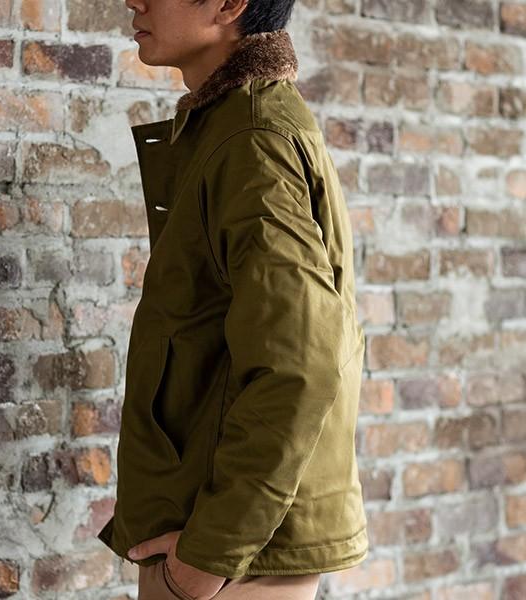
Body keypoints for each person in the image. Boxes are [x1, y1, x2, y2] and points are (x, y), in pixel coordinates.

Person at [97, 0, 369, 597]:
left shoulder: (251, 140)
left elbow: (302, 364)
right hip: (225, 535)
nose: (134, 0)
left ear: (228, 4)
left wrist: (210, 553)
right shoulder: (236, 124)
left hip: (229, 551)